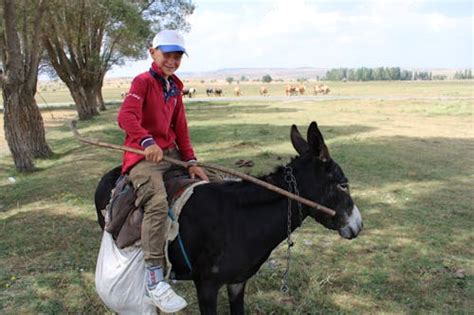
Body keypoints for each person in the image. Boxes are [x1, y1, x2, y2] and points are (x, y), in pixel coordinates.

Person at [117, 29, 208, 313]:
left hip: (172, 155)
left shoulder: (175, 87)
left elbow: (180, 128)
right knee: (157, 203)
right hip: (143, 157)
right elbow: (126, 116)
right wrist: (146, 141)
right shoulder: (142, 81)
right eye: (166, 54)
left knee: (215, 184)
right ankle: (154, 280)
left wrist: (191, 160)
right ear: (152, 52)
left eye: (177, 55)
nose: (172, 60)